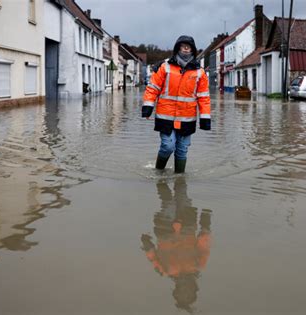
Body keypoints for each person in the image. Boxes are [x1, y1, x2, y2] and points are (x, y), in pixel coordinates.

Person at [141, 177, 212, 312]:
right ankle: (177, 174)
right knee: (182, 193)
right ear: (194, 287)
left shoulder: (165, 271)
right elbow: (204, 244)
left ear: (176, 289)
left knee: (168, 203)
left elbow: (153, 258)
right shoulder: (198, 265)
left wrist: (147, 245)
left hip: (165, 231)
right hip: (188, 227)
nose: (185, 288)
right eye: (188, 291)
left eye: (181, 291)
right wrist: (205, 224)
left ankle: (160, 178)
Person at [142, 35, 211, 173]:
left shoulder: (199, 72)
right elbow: (153, 87)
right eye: (183, 46)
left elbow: (203, 97)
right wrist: (148, 107)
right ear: (177, 48)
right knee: (168, 146)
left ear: (193, 50)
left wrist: (205, 118)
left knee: (182, 150)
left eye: (189, 46)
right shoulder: (164, 67)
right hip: (165, 116)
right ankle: (159, 172)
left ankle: (179, 180)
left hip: (187, 118)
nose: (186, 49)